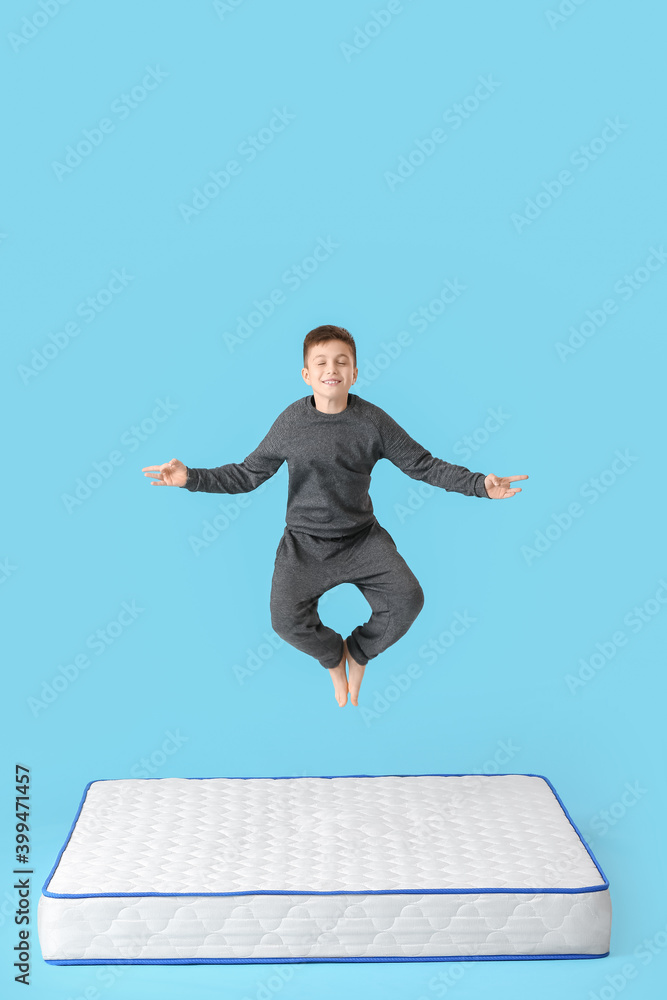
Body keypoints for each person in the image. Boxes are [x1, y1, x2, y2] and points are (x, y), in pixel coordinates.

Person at [142, 325, 528, 707]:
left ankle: (358, 652)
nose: (333, 369)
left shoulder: (372, 421)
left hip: (362, 540)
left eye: (342, 362)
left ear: (354, 373)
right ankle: (334, 656)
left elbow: (423, 465)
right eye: (322, 362)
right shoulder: (291, 423)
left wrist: (480, 484)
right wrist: (188, 477)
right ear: (307, 374)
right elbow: (247, 474)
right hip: (305, 547)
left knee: (408, 599)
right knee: (285, 622)